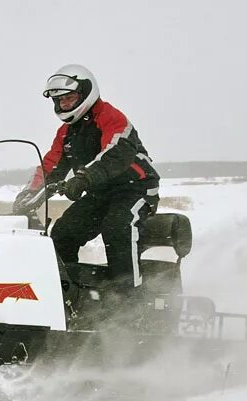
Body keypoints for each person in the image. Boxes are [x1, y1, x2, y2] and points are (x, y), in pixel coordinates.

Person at [13, 64, 160, 306]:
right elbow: (50, 165)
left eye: (70, 98)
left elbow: (116, 154)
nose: (65, 105)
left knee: (118, 227)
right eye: (60, 101)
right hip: (99, 192)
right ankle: (69, 298)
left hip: (136, 187)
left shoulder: (111, 117)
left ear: (86, 94)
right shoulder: (66, 132)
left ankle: (130, 306)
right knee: (63, 233)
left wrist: (83, 178)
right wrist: (29, 193)